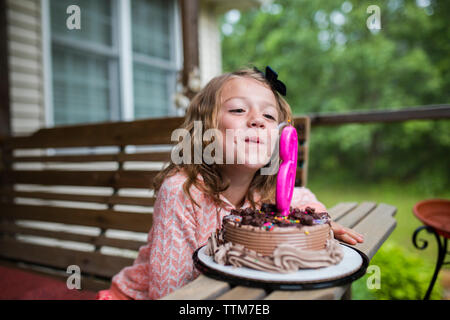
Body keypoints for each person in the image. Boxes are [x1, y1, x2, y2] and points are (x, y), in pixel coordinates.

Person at [96, 67, 364, 300]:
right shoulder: (183, 191)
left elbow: (300, 195)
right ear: (205, 129)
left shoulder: (265, 191)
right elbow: (169, 292)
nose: (257, 120)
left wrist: (316, 217)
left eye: (269, 117)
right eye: (238, 110)